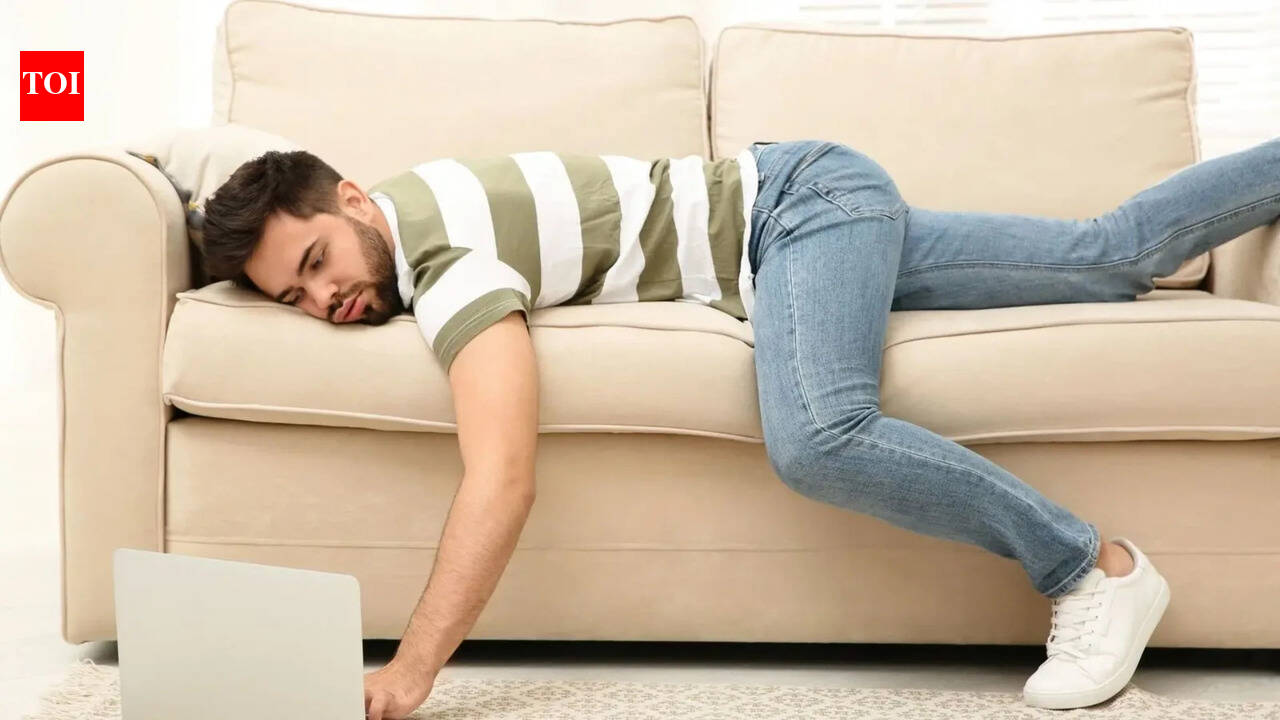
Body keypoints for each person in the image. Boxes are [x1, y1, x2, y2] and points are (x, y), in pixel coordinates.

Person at [199, 136, 1280, 717]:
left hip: (794, 214)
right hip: (815, 194)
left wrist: (409, 671)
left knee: (819, 434)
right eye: (295, 297)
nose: (325, 300)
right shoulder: (395, 205)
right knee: (1111, 254)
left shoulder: (446, 261)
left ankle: (1091, 568)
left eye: (317, 263)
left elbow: (501, 476)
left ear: (351, 199)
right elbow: (203, 152)